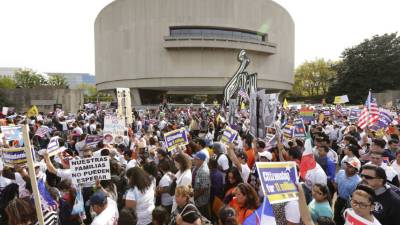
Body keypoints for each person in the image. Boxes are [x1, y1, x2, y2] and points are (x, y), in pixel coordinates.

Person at [334, 157, 361, 225]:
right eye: (347, 165)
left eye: (350, 167)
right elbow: (336, 183)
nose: (347, 168)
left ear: (356, 170)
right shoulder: (340, 172)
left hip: (349, 204)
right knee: (336, 217)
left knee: (344, 220)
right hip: (339, 199)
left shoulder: (358, 181)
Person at [192, 151, 211, 219]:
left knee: (203, 217)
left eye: (195, 159)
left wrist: (194, 196)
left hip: (201, 201)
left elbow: (204, 187)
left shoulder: (204, 171)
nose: (193, 160)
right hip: (196, 197)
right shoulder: (197, 166)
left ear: (200, 160)